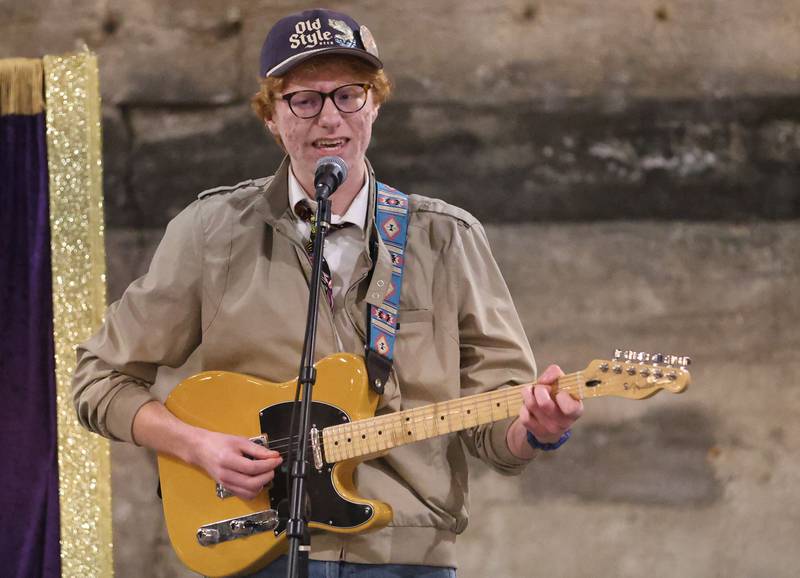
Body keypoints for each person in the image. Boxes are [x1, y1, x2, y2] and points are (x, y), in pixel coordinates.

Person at [72, 8, 583, 577]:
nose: (330, 117)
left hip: (404, 559)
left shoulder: (447, 239)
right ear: (271, 115)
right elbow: (99, 376)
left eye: (349, 95)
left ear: (375, 103)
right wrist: (197, 446)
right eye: (304, 100)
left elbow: (498, 428)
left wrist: (536, 430)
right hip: (256, 549)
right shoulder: (211, 233)